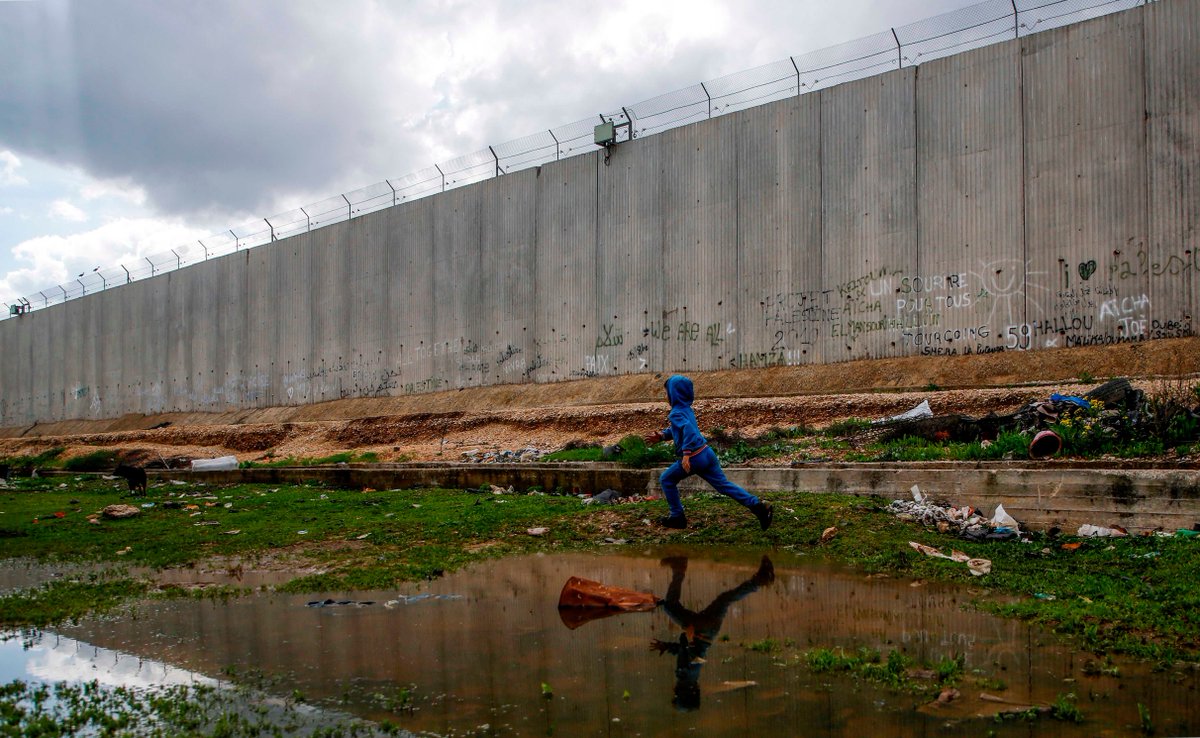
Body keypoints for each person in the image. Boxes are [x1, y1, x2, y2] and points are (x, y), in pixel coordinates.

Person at [643, 374, 773, 530]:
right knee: (723, 485)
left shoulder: (676, 412)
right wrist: (663, 436)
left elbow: (689, 430)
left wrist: (686, 454)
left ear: (674, 393)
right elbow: (679, 428)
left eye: (667, 393)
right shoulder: (686, 409)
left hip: (694, 457)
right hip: (706, 453)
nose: (666, 397)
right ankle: (758, 507)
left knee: (666, 480)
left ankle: (677, 516)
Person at [650, 555, 776, 711]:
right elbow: (697, 659)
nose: (673, 692)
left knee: (724, 600)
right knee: (669, 606)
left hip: (709, 631)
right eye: (676, 696)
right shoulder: (686, 677)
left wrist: (666, 646)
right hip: (699, 631)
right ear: (682, 693)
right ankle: (679, 567)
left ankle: (760, 580)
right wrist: (690, 640)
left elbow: (684, 653)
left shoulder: (689, 679)